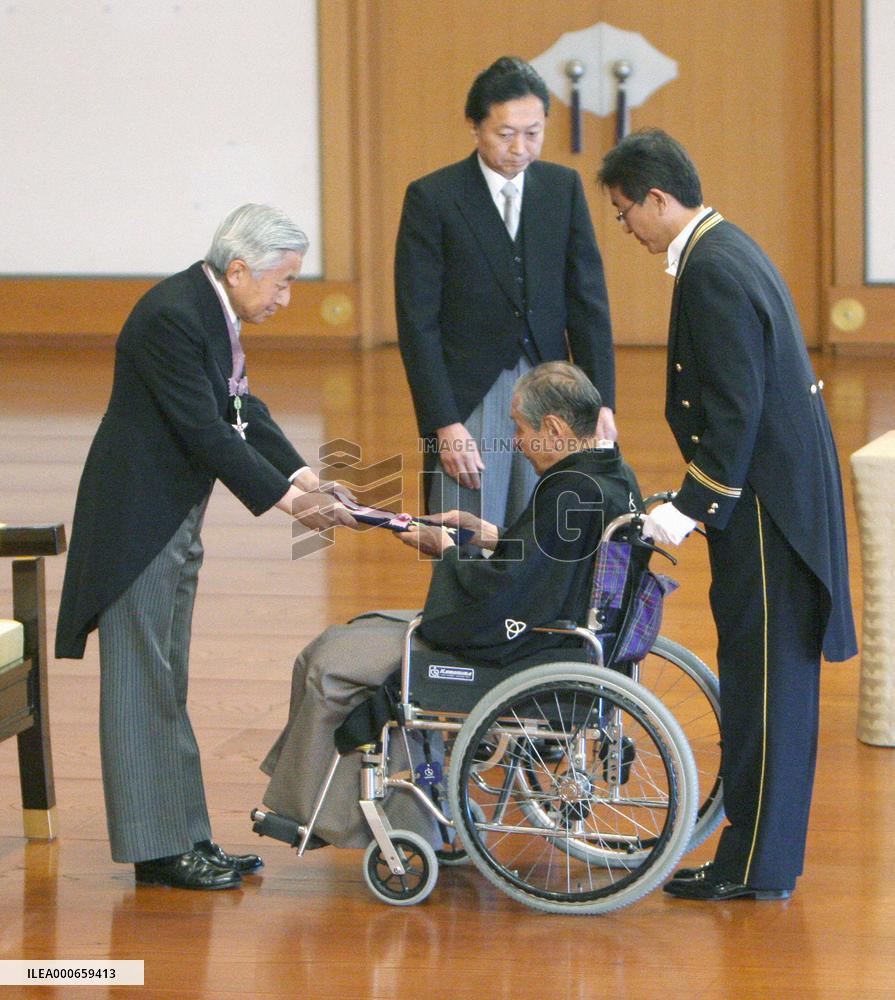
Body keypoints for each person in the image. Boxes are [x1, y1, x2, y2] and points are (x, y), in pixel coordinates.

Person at [55, 204, 358, 890]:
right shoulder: (173, 315)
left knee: (167, 682)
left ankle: (185, 835)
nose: (284, 298)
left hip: (171, 519)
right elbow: (208, 432)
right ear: (241, 267)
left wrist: (309, 478)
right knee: (142, 687)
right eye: (280, 283)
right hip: (138, 525)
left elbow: (244, 411)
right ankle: (159, 852)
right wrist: (291, 504)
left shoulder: (205, 308)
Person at [597, 129, 858, 901]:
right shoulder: (724, 245)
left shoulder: (710, 269)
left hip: (765, 511)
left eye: (623, 214)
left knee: (767, 688)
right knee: (760, 681)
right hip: (770, 500)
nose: (625, 230)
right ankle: (756, 858)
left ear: (655, 199)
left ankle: (755, 868)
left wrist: (688, 508)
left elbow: (735, 412)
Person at [259, 362, 641, 849]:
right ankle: (337, 804)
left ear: (554, 428)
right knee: (351, 636)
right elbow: (552, 568)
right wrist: (489, 536)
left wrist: (448, 550)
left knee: (331, 659)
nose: (517, 443)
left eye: (521, 429)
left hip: (523, 651)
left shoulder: (571, 489)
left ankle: (330, 815)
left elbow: (511, 592)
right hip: (558, 634)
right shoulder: (611, 475)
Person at [395, 56, 617, 533]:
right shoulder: (433, 198)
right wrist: (444, 423)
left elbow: (588, 305)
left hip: (550, 385)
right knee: (468, 528)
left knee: (542, 525)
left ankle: (534, 613)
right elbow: (418, 322)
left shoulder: (563, 189)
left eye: (533, 133)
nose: (520, 147)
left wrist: (601, 402)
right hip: (470, 391)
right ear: (475, 127)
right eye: (505, 133)